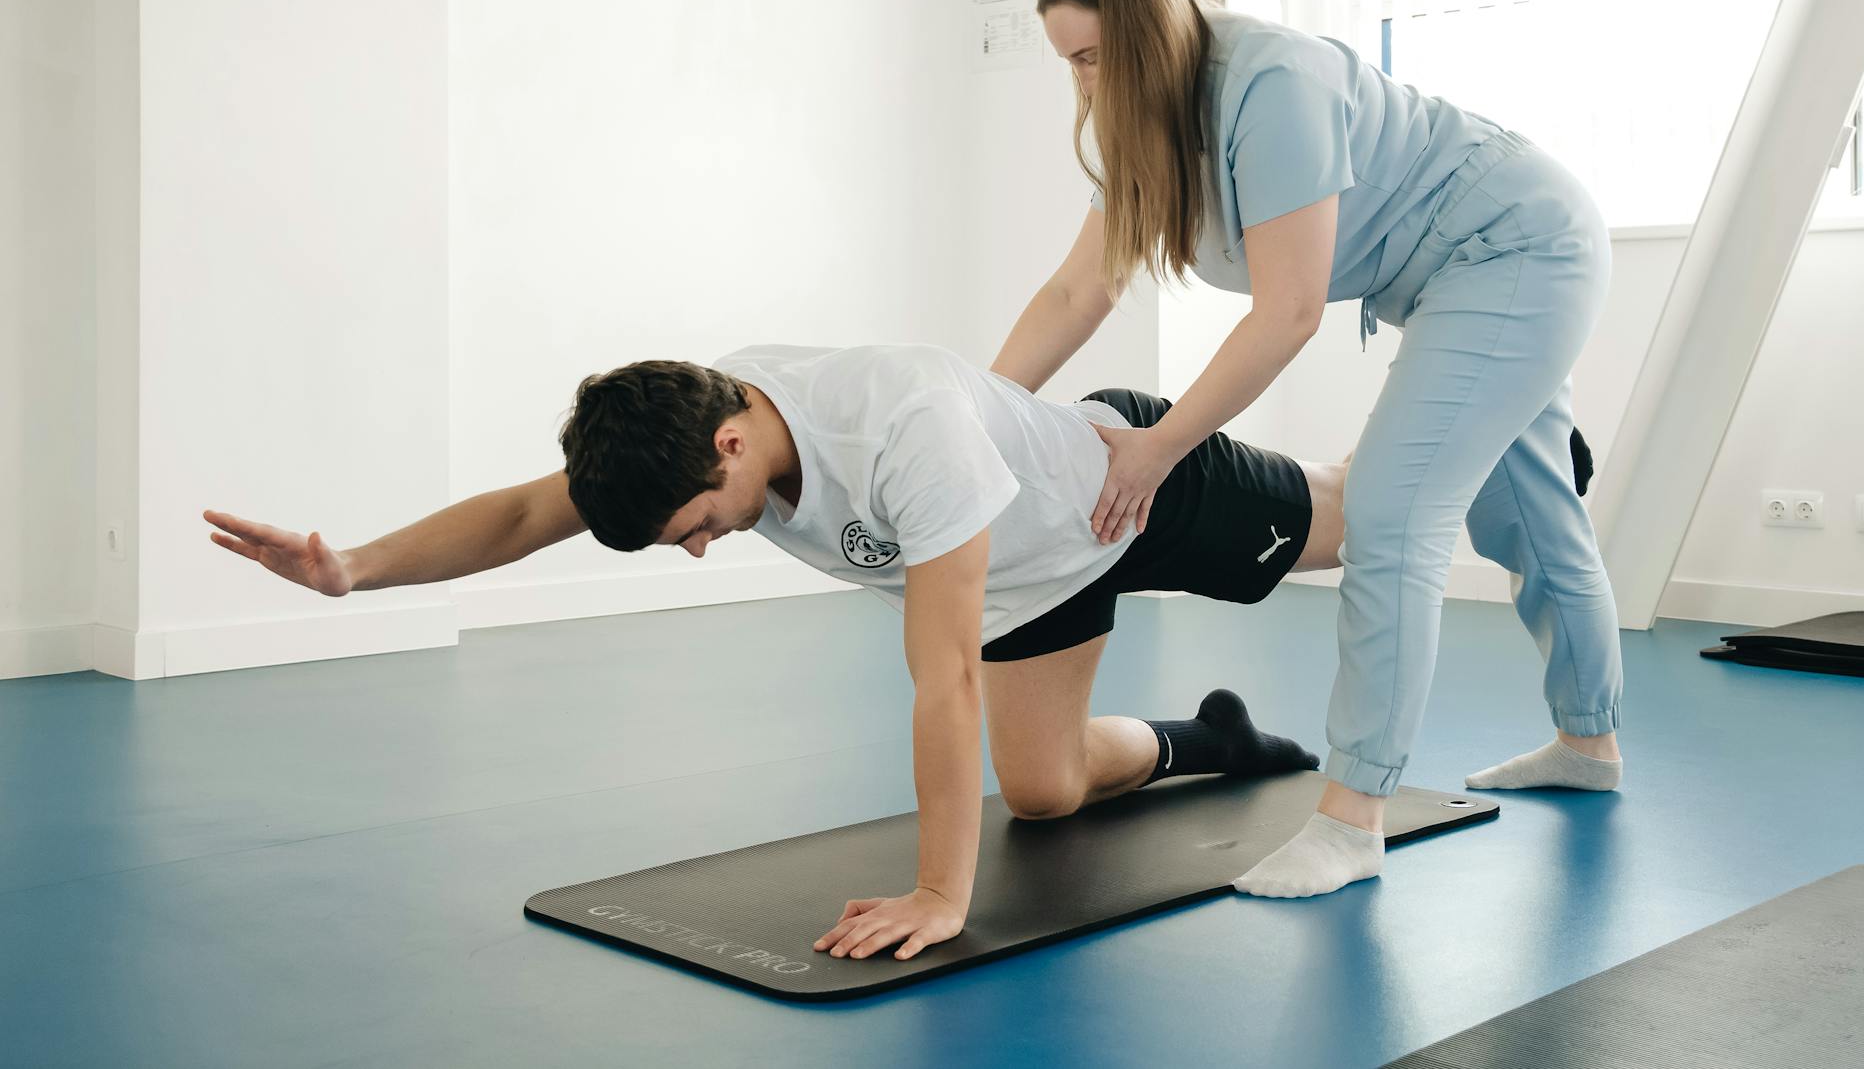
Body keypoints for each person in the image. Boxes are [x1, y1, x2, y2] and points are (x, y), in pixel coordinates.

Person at [207, 341, 1348, 963]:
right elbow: (517, 514)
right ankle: (1215, 736)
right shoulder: (677, 433)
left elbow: (942, 678)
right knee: (1044, 794)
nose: (699, 546)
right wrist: (350, 569)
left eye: (697, 522)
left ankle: (1467, 427)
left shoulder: (908, 434)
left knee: (1360, 518)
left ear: (732, 441)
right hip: (1029, 568)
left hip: (1127, 488)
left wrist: (942, 891)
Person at [992, 0, 1625, 900]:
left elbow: (1286, 311)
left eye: (1089, 59)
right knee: (1520, 513)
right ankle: (1589, 740)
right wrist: (979, 411)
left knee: (1389, 513)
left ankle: (1350, 817)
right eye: (1067, 64)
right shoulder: (1143, 117)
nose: (1079, 86)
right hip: (1447, 279)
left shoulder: (1268, 81)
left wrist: (1159, 448)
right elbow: (1079, 291)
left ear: (1149, 35)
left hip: (1515, 249)